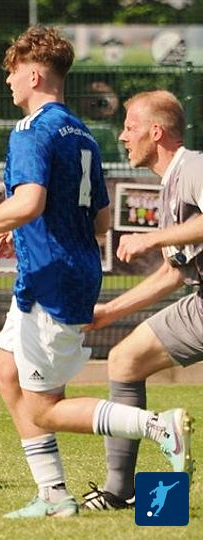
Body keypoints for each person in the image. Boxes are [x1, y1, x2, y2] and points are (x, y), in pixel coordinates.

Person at [0, 27, 191, 519]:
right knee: (8, 375)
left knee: (44, 407)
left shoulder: (31, 129)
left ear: (33, 75)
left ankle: (159, 427)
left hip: (50, 279)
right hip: (63, 271)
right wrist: (22, 227)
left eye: (12, 73)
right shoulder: (82, 132)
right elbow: (100, 220)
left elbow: (30, 201)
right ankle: (53, 495)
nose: (8, 82)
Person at [80, 90, 199, 511]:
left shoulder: (194, 167)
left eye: (130, 127)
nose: (123, 136)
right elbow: (173, 272)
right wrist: (109, 312)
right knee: (125, 360)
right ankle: (119, 492)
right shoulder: (169, 186)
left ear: (157, 132)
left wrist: (152, 238)